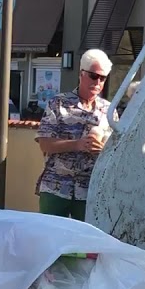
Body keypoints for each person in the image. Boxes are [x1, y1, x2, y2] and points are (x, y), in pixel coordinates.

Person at [34, 49, 113, 220]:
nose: (98, 82)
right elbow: (45, 143)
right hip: (56, 187)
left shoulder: (108, 110)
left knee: (85, 237)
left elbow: (115, 150)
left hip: (89, 191)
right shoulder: (58, 103)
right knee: (51, 235)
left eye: (102, 78)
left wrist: (103, 150)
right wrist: (77, 144)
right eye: (93, 76)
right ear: (81, 74)